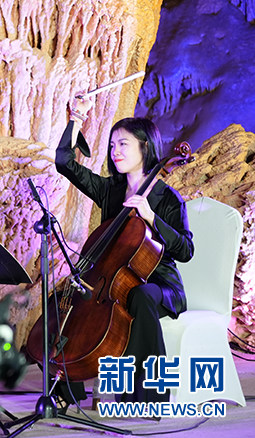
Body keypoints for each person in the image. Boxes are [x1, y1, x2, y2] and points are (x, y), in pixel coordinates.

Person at [53, 94, 194, 406]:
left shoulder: (168, 198)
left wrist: (151, 217)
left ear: (145, 147)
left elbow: (185, 250)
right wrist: (77, 118)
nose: (114, 151)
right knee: (61, 300)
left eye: (123, 144)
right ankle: (66, 390)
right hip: (113, 281)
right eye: (112, 145)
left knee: (139, 295)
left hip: (159, 285)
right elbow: (64, 162)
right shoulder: (110, 190)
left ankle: (147, 397)